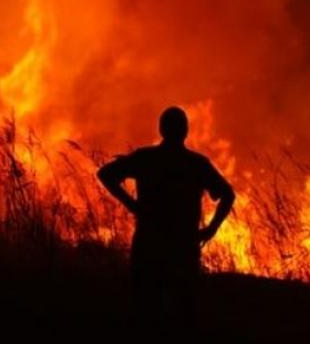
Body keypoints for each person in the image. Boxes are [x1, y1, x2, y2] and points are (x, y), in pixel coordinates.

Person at [97, 106, 235, 334]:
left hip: (149, 244)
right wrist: (211, 229)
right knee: (184, 314)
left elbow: (105, 174)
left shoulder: (146, 158)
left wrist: (132, 206)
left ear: (161, 129)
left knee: (144, 311)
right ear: (186, 131)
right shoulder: (196, 164)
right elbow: (228, 195)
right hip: (183, 248)